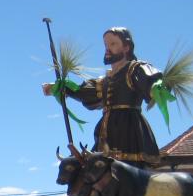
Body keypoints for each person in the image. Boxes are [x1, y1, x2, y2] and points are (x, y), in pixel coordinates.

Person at [43, 26, 163, 167]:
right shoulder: (103, 80)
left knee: (128, 165)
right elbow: (83, 92)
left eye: (113, 44)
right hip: (106, 130)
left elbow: (151, 81)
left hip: (129, 128)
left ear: (126, 47)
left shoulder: (135, 69)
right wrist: (61, 88)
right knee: (97, 167)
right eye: (106, 44)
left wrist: (156, 89)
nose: (107, 48)